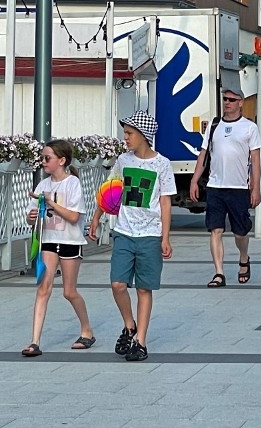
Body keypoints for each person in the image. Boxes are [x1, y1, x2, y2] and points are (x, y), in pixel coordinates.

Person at [88, 111, 176, 362]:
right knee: (117, 284)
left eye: (129, 133)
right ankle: (129, 325)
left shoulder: (162, 164)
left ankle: (141, 341)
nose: (125, 138)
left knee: (144, 289)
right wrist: (97, 216)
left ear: (144, 136)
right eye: (125, 133)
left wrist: (165, 237)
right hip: (124, 232)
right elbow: (110, 190)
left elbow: (165, 202)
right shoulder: (123, 161)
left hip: (150, 234)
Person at [21, 140, 93, 358]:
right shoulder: (43, 185)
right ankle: (34, 341)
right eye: (42, 157)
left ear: (62, 161)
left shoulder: (72, 184)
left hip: (70, 241)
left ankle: (86, 330)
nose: (43, 162)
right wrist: (32, 217)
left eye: (47, 158)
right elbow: (30, 217)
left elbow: (73, 217)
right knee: (43, 288)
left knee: (69, 292)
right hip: (48, 240)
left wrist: (50, 203)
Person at [190, 87, 261, 288]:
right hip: (215, 186)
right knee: (216, 229)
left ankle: (244, 258)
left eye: (232, 99)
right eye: (225, 99)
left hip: (239, 187)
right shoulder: (214, 126)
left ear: (241, 103)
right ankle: (219, 273)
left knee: (240, 232)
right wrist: (194, 180)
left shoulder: (249, 128)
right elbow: (203, 155)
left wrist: (255, 189)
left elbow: (255, 161)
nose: (227, 102)